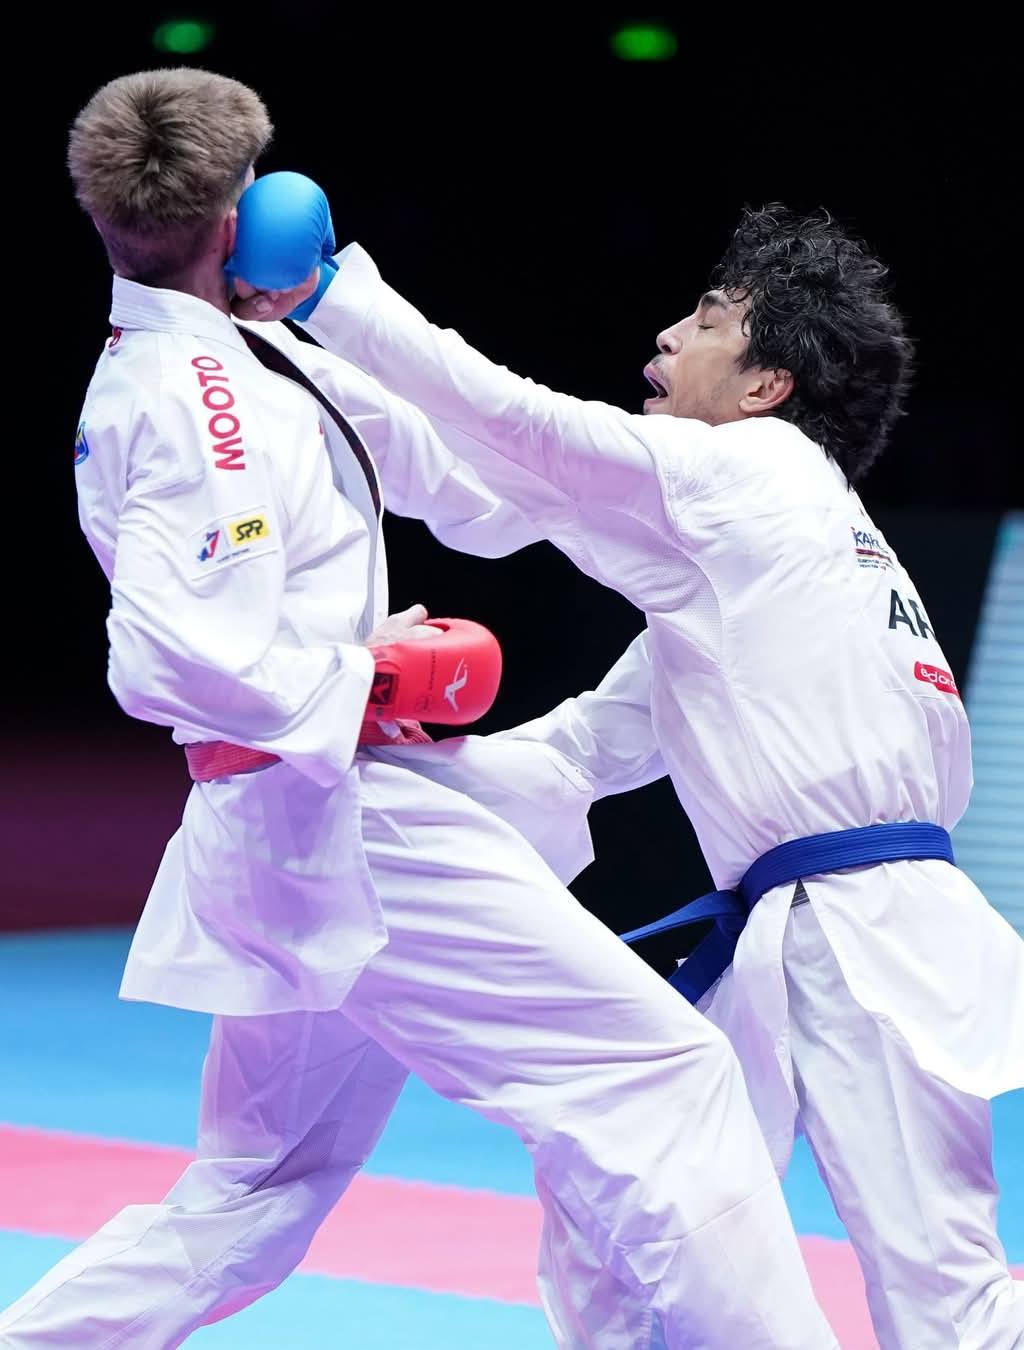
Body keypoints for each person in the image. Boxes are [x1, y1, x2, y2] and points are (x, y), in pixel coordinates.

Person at [0, 72, 841, 1350]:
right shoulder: (193, 401)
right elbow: (161, 652)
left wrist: (667, 482)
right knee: (661, 1075)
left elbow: (475, 490)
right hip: (340, 819)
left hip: (297, 823)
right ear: (242, 217)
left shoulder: (254, 355)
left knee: (252, 1194)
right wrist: (369, 677)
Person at [235, 178, 1024, 1350]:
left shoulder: (761, 473)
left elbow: (524, 425)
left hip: (868, 944)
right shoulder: (775, 560)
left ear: (766, 388)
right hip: (803, 938)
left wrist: (331, 298)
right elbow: (588, 748)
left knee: (951, 1311)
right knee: (620, 1211)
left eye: (710, 320)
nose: (670, 335)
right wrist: (376, 755)